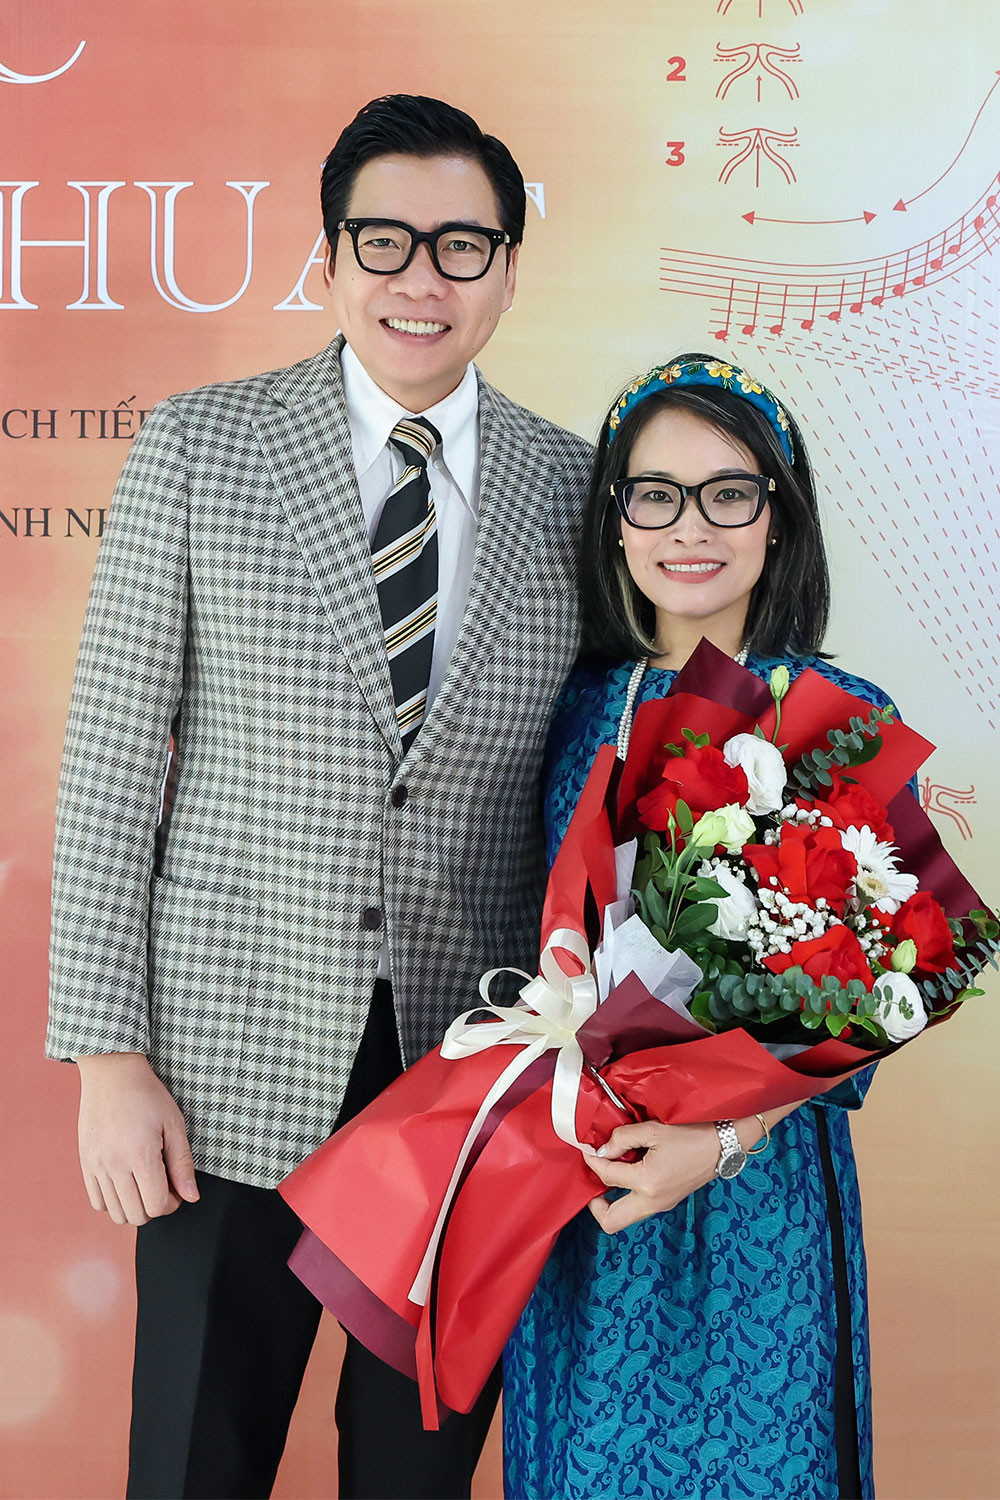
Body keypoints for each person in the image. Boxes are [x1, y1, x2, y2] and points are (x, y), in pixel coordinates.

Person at [47, 94, 592, 1500]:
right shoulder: (201, 447)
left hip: (465, 1082)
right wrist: (108, 1060)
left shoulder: (576, 489)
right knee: (194, 1463)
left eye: (462, 244)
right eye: (384, 240)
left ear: (509, 270)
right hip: (221, 1064)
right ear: (330, 258)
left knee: (413, 1477)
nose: (422, 277)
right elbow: (111, 763)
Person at [503, 354, 892, 1500]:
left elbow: (867, 987)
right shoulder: (570, 707)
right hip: (579, 1183)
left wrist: (717, 1140)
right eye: (655, 493)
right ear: (614, 517)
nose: (690, 526)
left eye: (729, 492)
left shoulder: (831, 715)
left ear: (780, 515)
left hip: (753, 1194)